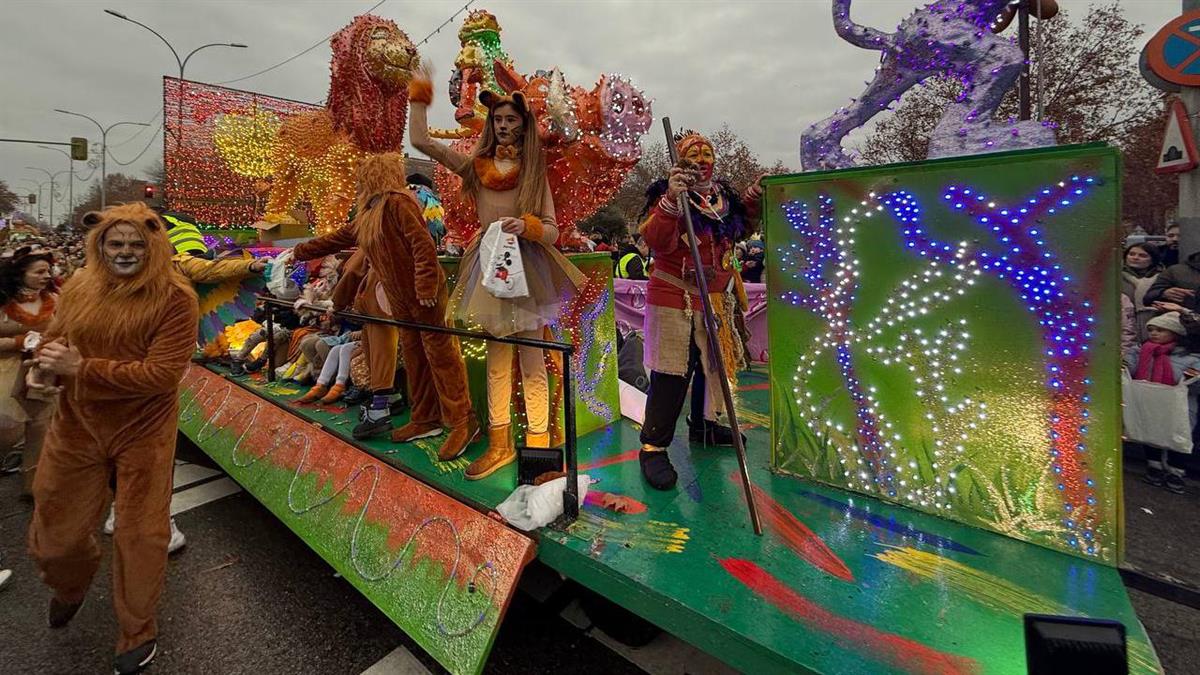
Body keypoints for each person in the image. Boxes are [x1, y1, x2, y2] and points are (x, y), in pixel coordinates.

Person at [27, 202, 199, 675]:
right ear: (99, 245)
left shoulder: (176, 298)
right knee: (55, 539)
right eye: (115, 243)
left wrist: (82, 368)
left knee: (141, 533)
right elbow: (54, 340)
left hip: (144, 428)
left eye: (135, 244)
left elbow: (162, 374)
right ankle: (70, 585)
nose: (125, 252)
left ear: (154, 245)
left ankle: (137, 628)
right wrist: (43, 369)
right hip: (77, 424)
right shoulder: (80, 286)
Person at [409, 68, 584, 480]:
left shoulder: (534, 174)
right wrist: (419, 96)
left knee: (533, 361)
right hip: (490, 267)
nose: (503, 126)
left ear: (523, 127)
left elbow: (553, 228)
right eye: (498, 120)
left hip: (528, 270)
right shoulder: (476, 167)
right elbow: (420, 142)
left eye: (511, 120)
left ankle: (539, 451)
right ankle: (500, 444)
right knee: (497, 360)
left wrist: (530, 227)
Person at [292, 152, 479, 459]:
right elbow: (337, 238)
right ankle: (425, 417)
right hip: (401, 302)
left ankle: (463, 421)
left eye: (363, 178)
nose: (358, 185)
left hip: (424, 298)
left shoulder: (398, 202)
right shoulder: (369, 214)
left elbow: (422, 244)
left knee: (441, 356)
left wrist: (425, 285)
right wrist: (299, 251)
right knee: (416, 357)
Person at [636, 130, 760, 490]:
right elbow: (656, 241)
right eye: (694, 154)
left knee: (713, 365)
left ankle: (704, 425)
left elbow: (741, 227)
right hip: (676, 296)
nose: (702, 159)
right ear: (679, 161)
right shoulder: (667, 195)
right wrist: (673, 201)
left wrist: (754, 194)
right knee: (673, 373)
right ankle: (653, 448)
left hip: (717, 298)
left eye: (707, 153)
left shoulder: (721, 197)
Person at [0, 243, 58, 500]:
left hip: (42, 372)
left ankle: (32, 485)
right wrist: (19, 342)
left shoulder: (55, 300)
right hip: (6, 372)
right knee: (7, 433)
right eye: (39, 272)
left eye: (48, 271)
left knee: (39, 429)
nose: (46, 276)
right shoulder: (3, 302)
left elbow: (65, 331)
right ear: (20, 273)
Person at [1123, 312, 1199, 494]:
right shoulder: (1141, 351)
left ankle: (1176, 471)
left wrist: (1191, 378)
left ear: (1175, 333)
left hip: (1179, 405)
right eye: (1151, 330)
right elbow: (1130, 368)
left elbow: (1194, 384)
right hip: (1150, 401)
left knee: (1178, 434)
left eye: (1160, 330)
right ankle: (1154, 466)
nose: (1154, 334)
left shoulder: (1190, 358)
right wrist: (1124, 365)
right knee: (1151, 432)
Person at [1121, 243, 1163, 343]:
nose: (1135, 258)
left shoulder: (1162, 278)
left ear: (1153, 260)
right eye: (1131, 254)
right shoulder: (1116, 276)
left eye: (1142, 256)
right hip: (1124, 324)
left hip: (1153, 324)